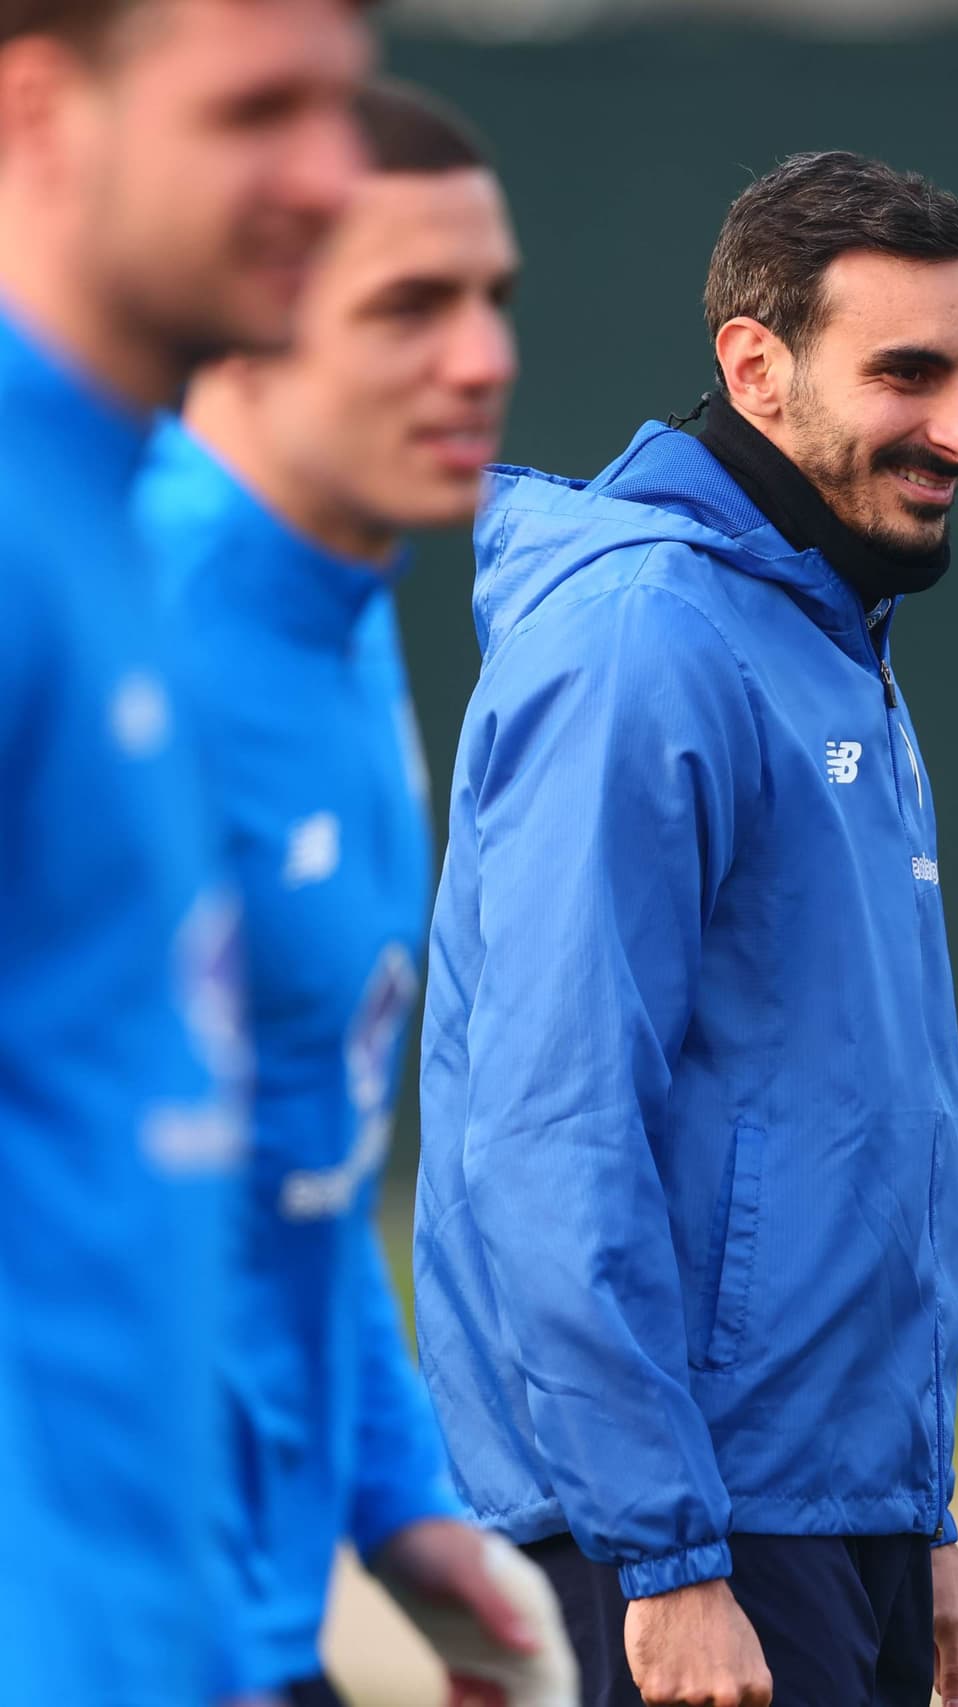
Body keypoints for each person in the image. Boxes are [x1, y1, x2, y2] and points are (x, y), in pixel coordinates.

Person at [414, 150, 958, 1707]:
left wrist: (910, 1521)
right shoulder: (644, 638)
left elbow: (821, 1120)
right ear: (754, 367)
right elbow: (549, 1130)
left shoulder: (827, 634)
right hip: (681, 1544)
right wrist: (668, 1555)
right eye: (908, 374)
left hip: (814, 1520)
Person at [135, 81, 578, 1707]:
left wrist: (408, 1516)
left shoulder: (349, 610)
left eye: (492, 299)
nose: (482, 357)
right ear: (244, 309)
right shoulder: (110, 635)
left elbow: (292, 1184)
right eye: (409, 306)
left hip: (251, 1634)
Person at [0, 0, 370, 1701]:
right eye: (254, 113)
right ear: (44, 113)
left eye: (344, 111)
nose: (331, 176)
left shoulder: (115, 519)